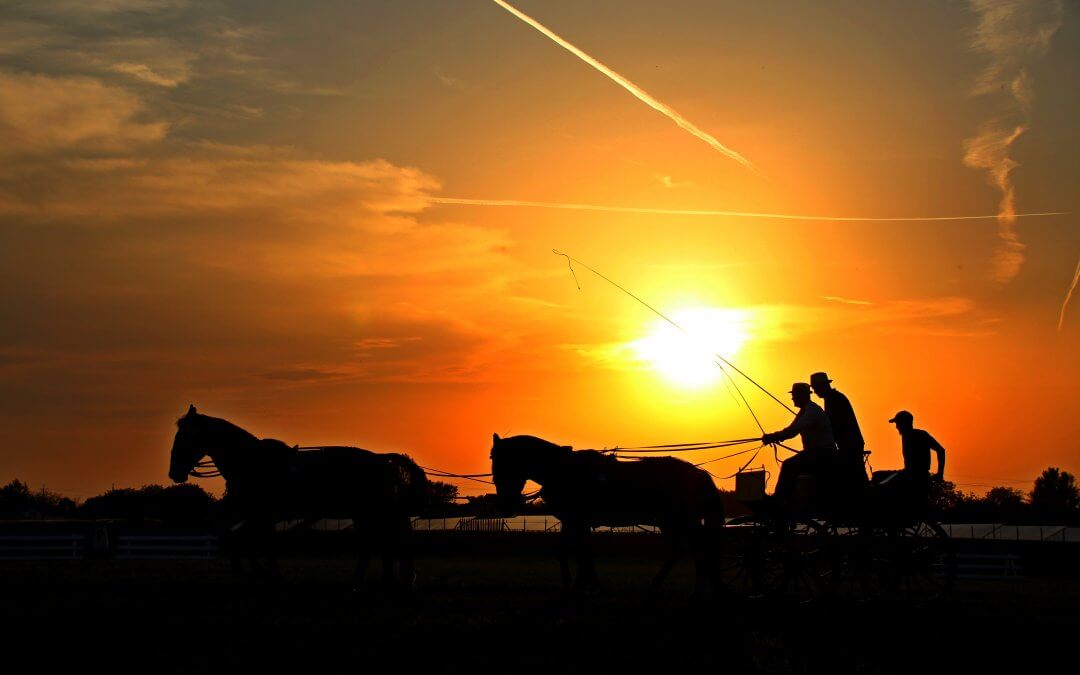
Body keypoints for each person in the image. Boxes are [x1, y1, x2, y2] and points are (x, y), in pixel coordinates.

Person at [761, 382, 838, 505]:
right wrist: (775, 437)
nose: (792, 398)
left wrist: (774, 436)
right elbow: (791, 431)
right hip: (815, 453)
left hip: (822, 454)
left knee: (788, 465)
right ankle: (787, 499)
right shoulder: (805, 411)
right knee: (791, 466)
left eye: (794, 395)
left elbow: (793, 430)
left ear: (801, 396)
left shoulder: (812, 411)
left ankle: (780, 500)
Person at [810, 371, 867, 487]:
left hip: (849, 444)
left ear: (823, 386)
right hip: (849, 443)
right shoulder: (833, 398)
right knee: (856, 475)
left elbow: (834, 424)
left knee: (855, 477)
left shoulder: (834, 400)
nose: (815, 392)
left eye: (816, 388)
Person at [884, 410, 945, 505]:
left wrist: (940, 473)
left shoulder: (921, 435)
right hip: (909, 474)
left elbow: (941, 450)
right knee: (880, 477)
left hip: (918, 478)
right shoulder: (906, 436)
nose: (896, 427)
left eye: (898, 423)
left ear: (905, 423)